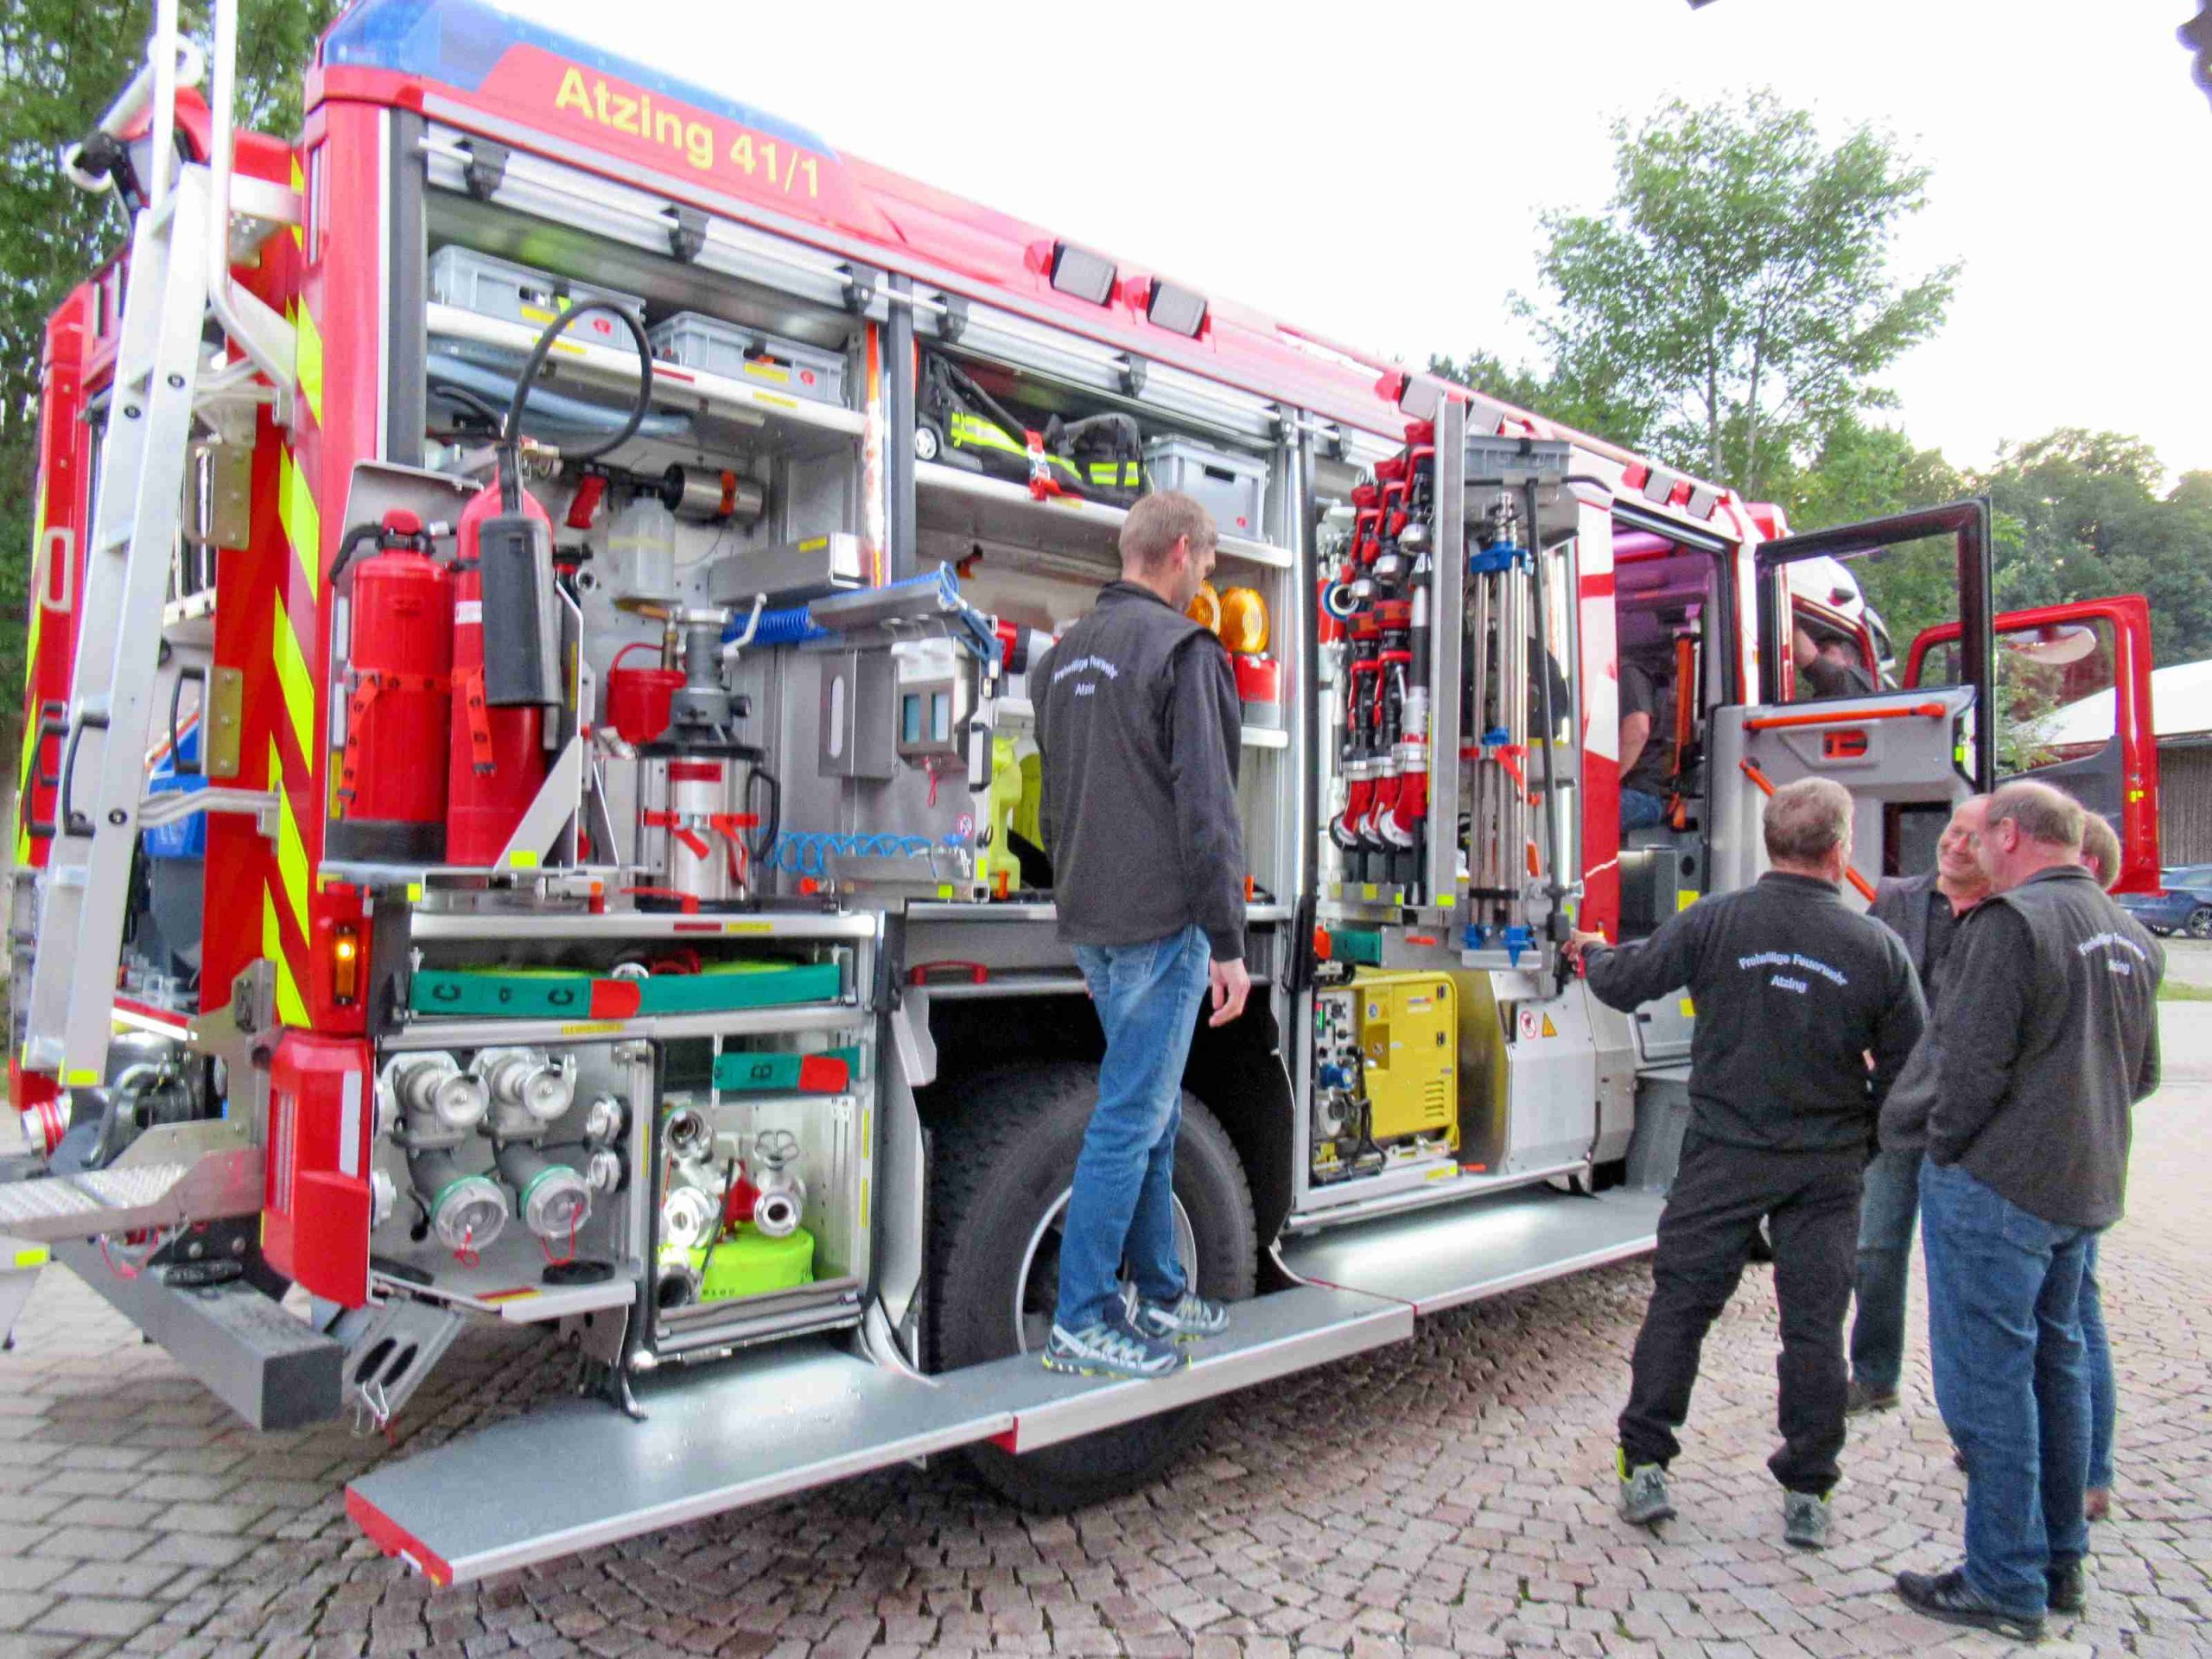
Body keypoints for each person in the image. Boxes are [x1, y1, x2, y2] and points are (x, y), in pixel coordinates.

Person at [1566, 778, 1925, 1549]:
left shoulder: (1716, 920)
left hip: (1724, 1153)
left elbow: (1626, 983)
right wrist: (1862, 1141)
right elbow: (1910, 1072)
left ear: (1770, 842)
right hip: (1825, 1165)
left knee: (1681, 1307)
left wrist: (1591, 954)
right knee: (1815, 1328)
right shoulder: (1876, 947)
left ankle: (1644, 1463)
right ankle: (1809, 1489)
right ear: (1840, 850)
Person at [1894, 784, 2162, 1640]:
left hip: (1998, 1189)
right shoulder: (2129, 933)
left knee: (1990, 1385)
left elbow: (1968, 1066)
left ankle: (2003, 1579)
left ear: (2009, 835)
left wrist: (1943, 1147)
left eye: (1984, 834)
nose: (1974, 847)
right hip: (2081, 1186)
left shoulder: (2010, 924)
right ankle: (2060, 1562)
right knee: (2059, 1369)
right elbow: (2143, 1074)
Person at [1033, 490, 1251, 1381]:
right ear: (1181, 551)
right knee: (1130, 1118)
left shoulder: (1059, 661)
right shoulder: (1184, 651)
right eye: (1209, 562)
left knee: (1151, 1110)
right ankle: (1082, 1318)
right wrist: (1227, 941)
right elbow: (1208, 808)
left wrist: (1078, 910)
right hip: (1163, 926)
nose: (1207, 577)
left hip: (1094, 922)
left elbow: (1051, 805)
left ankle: (1158, 1290)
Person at [1847, 796, 1993, 1415]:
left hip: (1977, 1117)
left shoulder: (2009, 914)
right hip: (1899, 1108)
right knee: (1875, 1249)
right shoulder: (1897, 899)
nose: (1954, 845)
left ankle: (1978, 1408)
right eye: (1952, 832)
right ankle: (1874, 1375)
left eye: (1971, 838)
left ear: (2002, 845)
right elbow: (1857, 979)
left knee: (1968, 1265)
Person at [2075, 810, 2125, 1524]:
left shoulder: (2039, 930)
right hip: (2093, 1156)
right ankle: (2090, 1474)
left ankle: (2085, 1472)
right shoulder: (2131, 941)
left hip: (2035, 1167)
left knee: (2069, 1321)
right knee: (2078, 1314)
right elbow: (2141, 1073)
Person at [1618, 649, 1677, 831]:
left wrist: (1604, 782)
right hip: (1637, 790)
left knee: (1572, 812)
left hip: (1643, 794)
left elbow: (1638, 731)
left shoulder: (1628, 673)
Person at [1794, 625, 1876, 698]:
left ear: (1849, 660)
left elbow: (1807, 655)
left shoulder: (1847, 682)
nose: (1820, 655)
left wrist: (1791, 625)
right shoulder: (1863, 687)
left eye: (1824, 650)